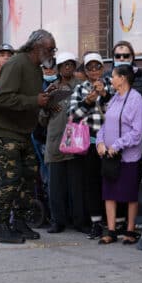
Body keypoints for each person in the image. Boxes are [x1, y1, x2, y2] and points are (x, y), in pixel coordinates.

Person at [0, 29, 56, 244]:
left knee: (29, 172)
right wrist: (36, 101)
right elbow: (3, 99)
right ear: (37, 47)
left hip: (22, 130)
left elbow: (29, 99)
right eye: (50, 48)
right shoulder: (16, 64)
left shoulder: (36, 68)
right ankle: (1, 225)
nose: (52, 52)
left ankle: (19, 221)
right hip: (4, 128)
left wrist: (47, 101)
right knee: (12, 176)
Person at [96, 63, 142, 244]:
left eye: (114, 76)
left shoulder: (136, 99)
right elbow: (105, 124)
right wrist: (100, 142)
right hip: (110, 155)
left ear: (122, 78)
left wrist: (118, 144)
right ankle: (111, 231)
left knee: (130, 194)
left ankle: (130, 231)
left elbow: (137, 131)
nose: (111, 79)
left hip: (127, 155)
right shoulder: (115, 98)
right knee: (109, 193)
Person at [69, 52, 114, 239]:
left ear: (103, 68)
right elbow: (73, 115)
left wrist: (104, 94)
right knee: (92, 183)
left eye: (97, 66)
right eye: (90, 67)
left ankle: (115, 223)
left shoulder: (113, 85)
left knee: (112, 181)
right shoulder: (80, 89)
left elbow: (118, 110)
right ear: (85, 71)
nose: (94, 70)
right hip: (90, 143)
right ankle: (96, 223)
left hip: (112, 143)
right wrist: (88, 101)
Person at [41, 52, 82, 233]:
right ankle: (58, 221)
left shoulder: (81, 86)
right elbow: (41, 119)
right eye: (64, 65)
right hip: (55, 141)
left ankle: (79, 221)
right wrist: (47, 106)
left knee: (76, 185)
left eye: (70, 64)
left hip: (76, 142)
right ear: (58, 68)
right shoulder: (51, 88)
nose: (67, 68)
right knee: (56, 186)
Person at [106, 41, 142, 159]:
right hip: (111, 134)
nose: (122, 58)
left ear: (132, 57)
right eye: (118, 56)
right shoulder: (107, 76)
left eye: (126, 56)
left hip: (134, 133)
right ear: (113, 58)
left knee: (131, 170)